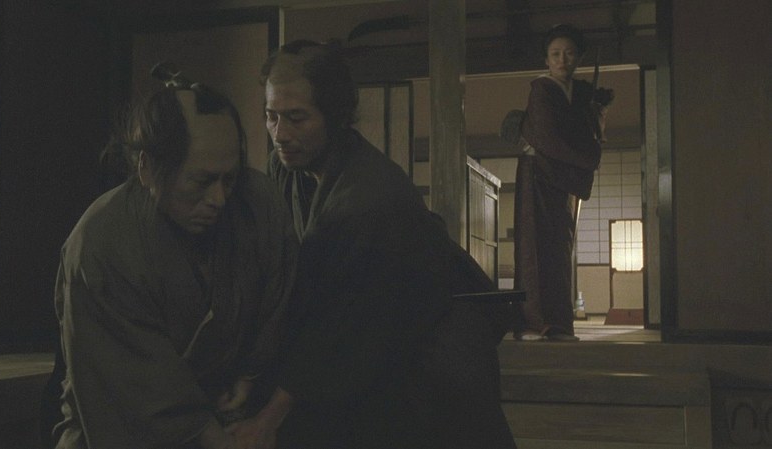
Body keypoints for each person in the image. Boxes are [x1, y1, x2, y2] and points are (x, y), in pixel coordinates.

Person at [226, 40, 516, 449]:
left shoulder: (370, 199)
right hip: (354, 341)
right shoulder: (288, 165)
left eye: (296, 118)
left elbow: (345, 328)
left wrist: (268, 419)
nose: (280, 134)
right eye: (271, 116)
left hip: (419, 351)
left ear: (336, 115)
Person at [51, 72, 298, 448]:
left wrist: (250, 377)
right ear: (147, 167)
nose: (219, 198)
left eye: (229, 179)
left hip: (229, 416)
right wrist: (212, 437)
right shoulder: (101, 241)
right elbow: (133, 382)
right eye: (201, 181)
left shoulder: (258, 202)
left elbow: (280, 303)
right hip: (123, 424)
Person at [512, 24, 612, 342]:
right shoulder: (543, 89)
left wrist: (595, 111)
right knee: (535, 248)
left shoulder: (574, 93)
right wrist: (589, 157)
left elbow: (582, 128)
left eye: (569, 53)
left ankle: (558, 323)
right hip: (537, 174)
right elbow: (549, 139)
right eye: (555, 54)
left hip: (559, 179)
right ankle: (533, 324)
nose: (562, 60)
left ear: (579, 58)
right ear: (546, 60)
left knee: (558, 250)